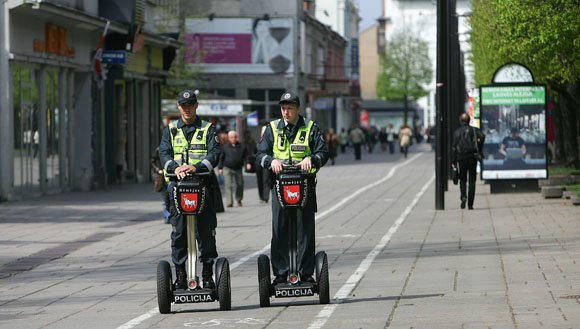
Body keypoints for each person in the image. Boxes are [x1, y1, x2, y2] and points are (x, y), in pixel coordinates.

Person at [256, 91, 329, 285]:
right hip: (280, 184)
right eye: (283, 108)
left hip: (303, 183)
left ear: (298, 108)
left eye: (289, 108)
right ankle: (280, 273)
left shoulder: (311, 128)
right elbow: (260, 154)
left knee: (305, 229)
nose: (286, 112)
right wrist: (271, 161)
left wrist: (311, 159)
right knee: (279, 228)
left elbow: (324, 152)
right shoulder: (272, 128)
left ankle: (306, 273)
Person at [159, 90, 221, 290]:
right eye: (183, 105)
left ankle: (207, 275)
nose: (187, 109)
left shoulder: (207, 128)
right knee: (178, 233)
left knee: (206, 232)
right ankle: (180, 277)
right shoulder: (170, 130)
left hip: (202, 187)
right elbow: (164, 153)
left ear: (196, 106)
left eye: (190, 105)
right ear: (179, 107)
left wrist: (196, 167)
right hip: (177, 189)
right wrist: (175, 168)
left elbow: (214, 154)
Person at [452, 113, 485, 210]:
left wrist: (453, 161)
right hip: (472, 156)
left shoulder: (457, 132)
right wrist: (478, 147)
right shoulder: (474, 130)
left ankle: (463, 196)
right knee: (472, 180)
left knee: (462, 179)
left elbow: (454, 148)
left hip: (461, 157)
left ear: (460, 121)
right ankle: (470, 204)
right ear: (469, 120)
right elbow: (482, 136)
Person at [218, 131, 248, 207]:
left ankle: (239, 199)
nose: (233, 139)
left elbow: (247, 156)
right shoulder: (225, 147)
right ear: (228, 138)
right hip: (227, 168)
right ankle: (229, 202)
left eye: (235, 137)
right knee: (228, 185)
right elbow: (221, 158)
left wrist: (248, 163)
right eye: (231, 137)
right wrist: (220, 168)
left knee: (240, 184)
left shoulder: (242, 146)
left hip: (238, 168)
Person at [151, 146, 170, 224]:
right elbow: (152, 161)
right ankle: (167, 217)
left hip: (171, 175)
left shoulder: (172, 148)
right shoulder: (158, 149)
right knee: (164, 198)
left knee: (171, 198)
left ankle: (170, 216)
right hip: (161, 177)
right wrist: (157, 170)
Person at [255, 126, 271, 204]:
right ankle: (261, 196)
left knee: (266, 179)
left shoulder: (270, 141)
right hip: (258, 163)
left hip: (266, 163)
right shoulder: (258, 142)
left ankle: (266, 197)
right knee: (259, 180)